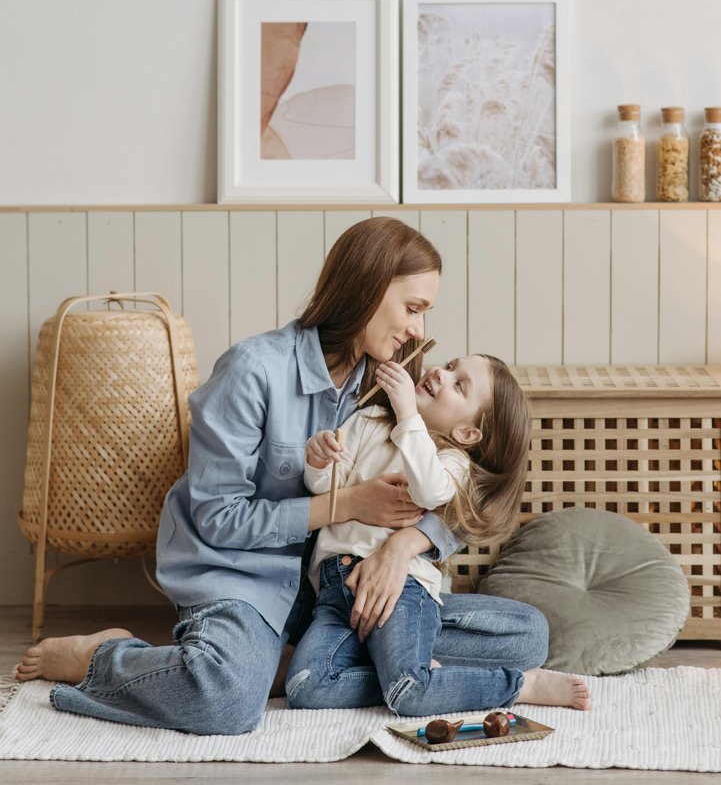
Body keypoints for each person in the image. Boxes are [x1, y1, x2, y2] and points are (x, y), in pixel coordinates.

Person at [15, 216, 549, 735]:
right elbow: (217, 519)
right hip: (243, 574)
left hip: (340, 588)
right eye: (412, 309)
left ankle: (304, 668)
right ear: (366, 290)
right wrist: (348, 504)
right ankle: (105, 657)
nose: (419, 331)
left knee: (526, 637)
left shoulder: (396, 378)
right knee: (224, 701)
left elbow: (458, 489)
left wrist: (401, 548)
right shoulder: (252, 370)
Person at [286, 354, 591, 716]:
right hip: (336, 586)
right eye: (448, 366)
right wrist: (319, 460)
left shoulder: (451, 462)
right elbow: (326, 488)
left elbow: (430, 491)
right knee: (305, 685)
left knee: (411, 690)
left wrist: (407, 414)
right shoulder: (369, 420)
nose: (440, 374)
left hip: (404, 590)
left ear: (466, 434)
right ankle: (417, 675)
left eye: (459, 385)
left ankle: (519, 686)